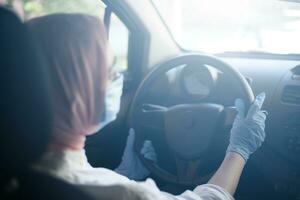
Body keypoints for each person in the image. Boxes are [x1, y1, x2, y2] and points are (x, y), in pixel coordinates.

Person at [27, 13, 267, 200]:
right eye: (110, 72)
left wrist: (123, 175)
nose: (116, 80)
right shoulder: (124, 194)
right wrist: (239, 150)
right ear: (75, 92)